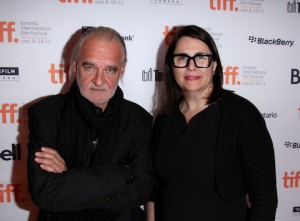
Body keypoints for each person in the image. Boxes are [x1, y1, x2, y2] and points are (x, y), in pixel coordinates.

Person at [147, 25, 277, 221]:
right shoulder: (164, 119)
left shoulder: (242, 115)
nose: (191, 66)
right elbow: (154, 192)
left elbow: (265, 200)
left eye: (201, 57)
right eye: (182, 58)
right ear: (171, 66)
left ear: (214, 65)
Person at [27, 26, 154, 221]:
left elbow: (141, 189)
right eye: (90, 67)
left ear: (122, 69)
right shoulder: (46, 113)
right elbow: (44, 192)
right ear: (75, 66)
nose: (99, 80)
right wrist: (122, 174)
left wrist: (68, 176)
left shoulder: (140, 120)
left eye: (110, 69)